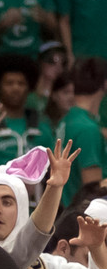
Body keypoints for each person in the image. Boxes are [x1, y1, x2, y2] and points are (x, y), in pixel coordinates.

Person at [54, 57, 106, 206]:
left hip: (68, 209)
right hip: (85, 213)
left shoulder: (67, 120)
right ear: (104, 84)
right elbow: (93, 191)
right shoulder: (88, 129)